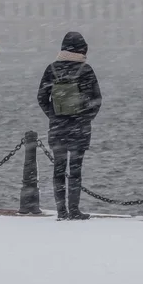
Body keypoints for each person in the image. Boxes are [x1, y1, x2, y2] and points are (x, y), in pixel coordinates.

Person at [37, 32, 102, 220]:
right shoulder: (86, 70)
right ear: (82, 48)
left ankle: (61, 211)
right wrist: (85, 118)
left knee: (58, 170)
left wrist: (55, 116)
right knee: (75, 170)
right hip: (79, 129)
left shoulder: (52, 69)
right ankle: (74, 210)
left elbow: (42, 98)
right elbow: (96, 99)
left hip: (57, 128)